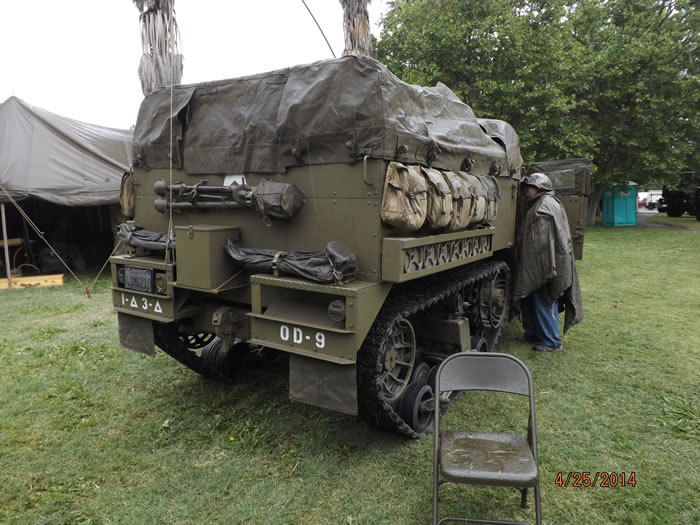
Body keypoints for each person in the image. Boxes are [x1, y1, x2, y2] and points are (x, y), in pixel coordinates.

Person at [512, 173, 583, 351]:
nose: (527, 190)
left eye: (530, 187)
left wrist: (542, 271)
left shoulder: (544, 207)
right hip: (538, 264)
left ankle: (552, 342)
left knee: (543, 300)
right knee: (530, 299)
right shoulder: (544, 203)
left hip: (545, 266)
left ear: (540, 188)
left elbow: (541, 244)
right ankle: (532, 334)